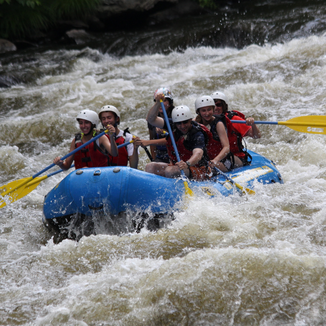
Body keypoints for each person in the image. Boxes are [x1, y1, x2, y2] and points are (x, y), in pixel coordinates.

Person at [145, 92, 211, 181]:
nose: (182, 126)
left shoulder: (197, 133)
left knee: (170, 171)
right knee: (150, 167)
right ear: (175, 123)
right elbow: (151, 119)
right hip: (178, 167)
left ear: (190, 120)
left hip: (198, 169)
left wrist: (187, 163)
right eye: (179, 123)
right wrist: (157, 103)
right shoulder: (172, 125)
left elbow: (198, 153)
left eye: (185, 122)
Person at [53, 109, 118, 170]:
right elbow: (66, 166)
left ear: (93, 124)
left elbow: (114, 153)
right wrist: (60, 164)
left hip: (99, 176)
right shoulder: (76, 141)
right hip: (82, 178)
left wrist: (111, 137)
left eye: (86, 122)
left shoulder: (100, 138)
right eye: (81, 123)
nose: (83, 126)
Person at [194, 95, 233, 172]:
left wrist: (215, 160)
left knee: (209, 168)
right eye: (203, 110)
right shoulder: (195, 123)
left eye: (209, 110)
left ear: (213, 109)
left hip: (222, 160)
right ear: (198, 112)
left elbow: (226, 147)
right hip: (206, 159)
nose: (207, 113)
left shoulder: (218, 124)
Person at [141, 87, 174, 163]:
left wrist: (164, 131)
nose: (161, 103)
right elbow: (152, 139)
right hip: (161, 154)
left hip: (175, 152)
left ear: (170, 103)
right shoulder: (152, 118)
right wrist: (153, 160)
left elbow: (174, 139)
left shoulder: (175, 116)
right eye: (158, 101)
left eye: (164, 100)